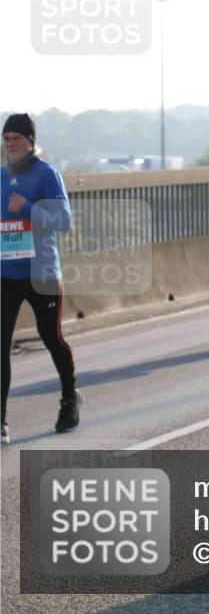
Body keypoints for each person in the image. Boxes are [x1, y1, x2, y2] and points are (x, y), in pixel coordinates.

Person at [1, 113, 80, 443]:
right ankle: (1, 420)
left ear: (30, 141)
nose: (10, 144)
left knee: (51, 338)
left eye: (16, 138)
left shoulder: (47, 174)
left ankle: (69, 399)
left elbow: (64, 221)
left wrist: (27, 206)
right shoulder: (1, 176)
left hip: (42, 273)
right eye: (6, 139)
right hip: (7, 273)